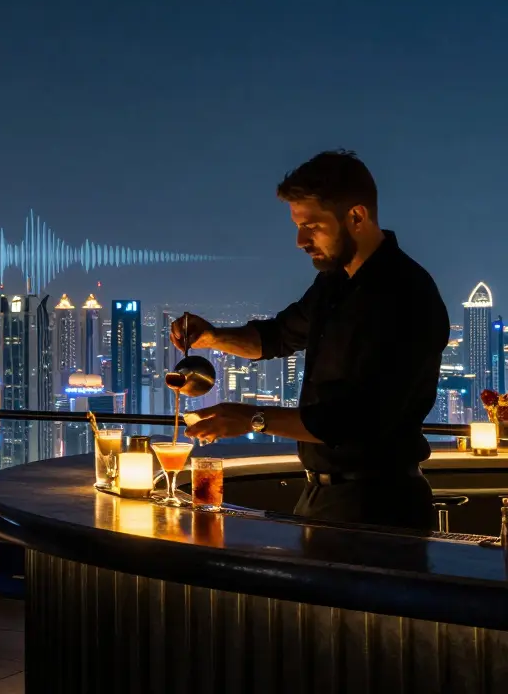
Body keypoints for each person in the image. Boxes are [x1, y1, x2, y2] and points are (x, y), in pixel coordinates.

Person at [178, 150, 448, 531]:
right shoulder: (333, 285)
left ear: (356, 217)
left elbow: (355, 418)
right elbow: (275, 337)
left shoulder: (406, 294)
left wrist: (252, 419)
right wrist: (212, 336)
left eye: (312, 226)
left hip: (379, 507)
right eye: (297, 226)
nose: (300, 240)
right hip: (320, 499)